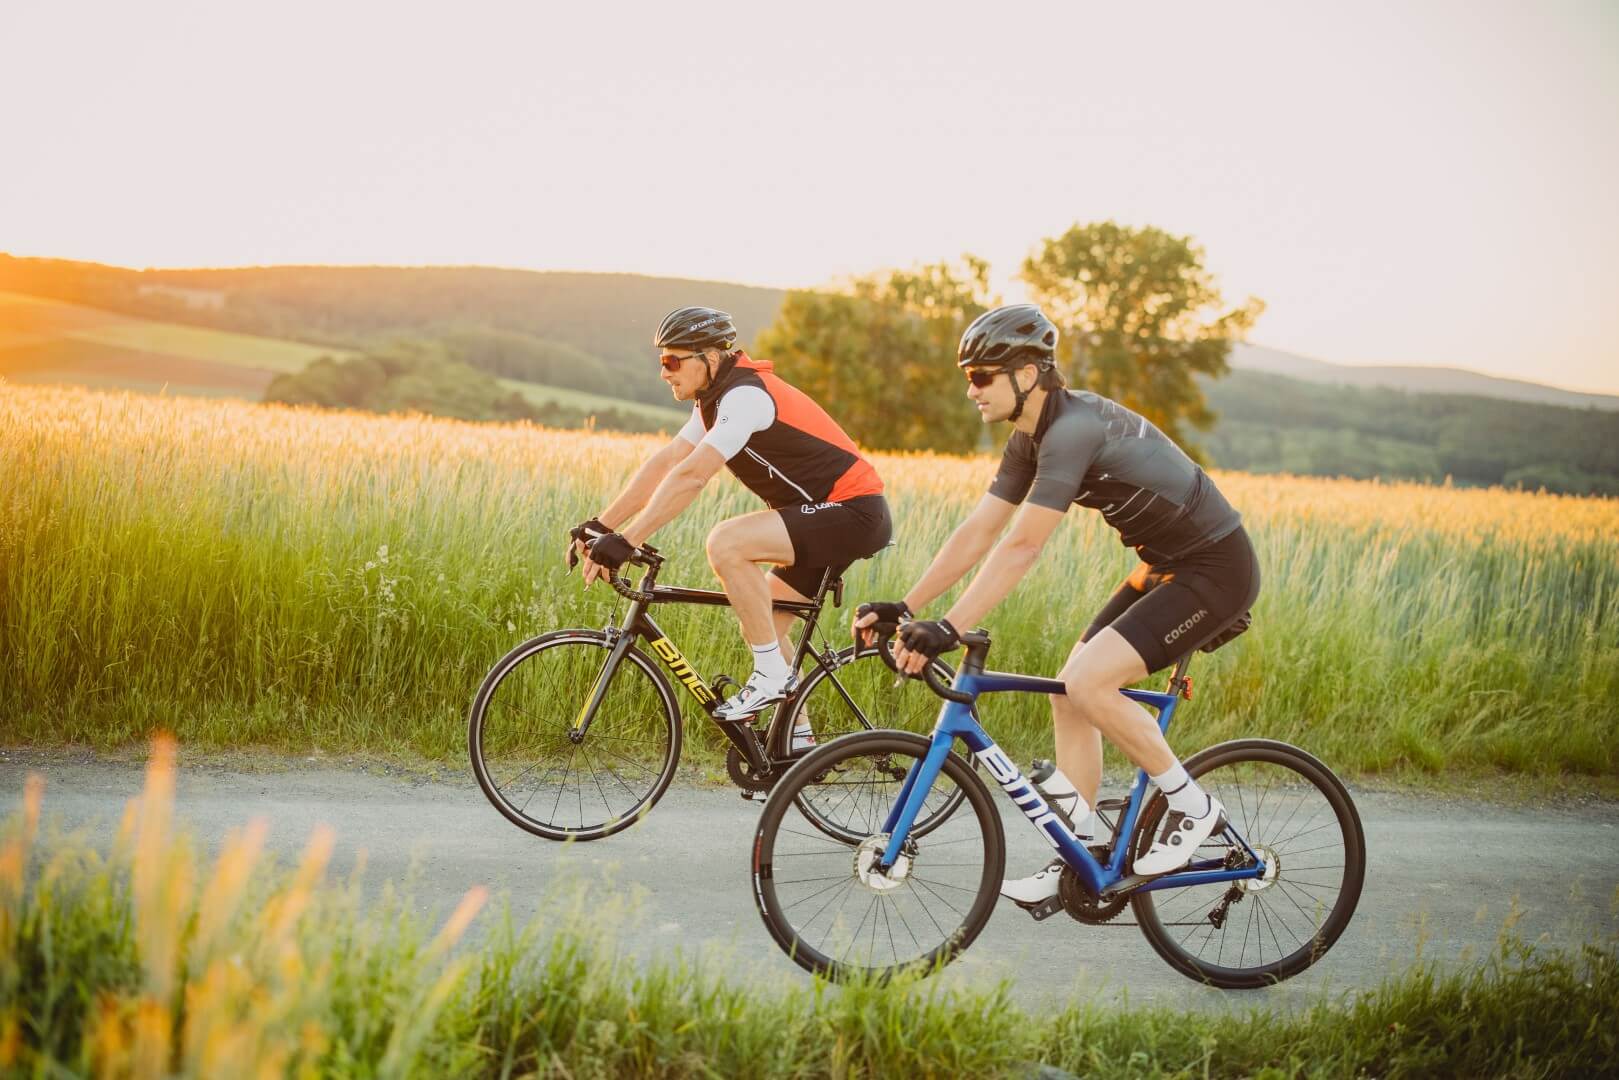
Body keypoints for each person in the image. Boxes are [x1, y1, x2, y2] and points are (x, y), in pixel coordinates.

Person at [854, 303, 1259, 901]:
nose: (971, 390)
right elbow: (981, 530)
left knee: (1092, 683)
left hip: (1216, 567)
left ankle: (1191, 806)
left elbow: (1022, 546)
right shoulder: (1028, 440)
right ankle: (1085, 850)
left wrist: (951, 626)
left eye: (980, 376)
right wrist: (908, 607)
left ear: (1027, 373)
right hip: (1162, 567)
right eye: (966, 376)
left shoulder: (1072, 430)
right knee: (1071, 692)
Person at [570, 306, 892, 733]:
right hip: (821, 518)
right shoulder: (713, 402)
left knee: (727, 542)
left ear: (711, 358)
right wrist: (601, 525)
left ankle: (772, 678)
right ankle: (797, 746)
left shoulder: (746, 397)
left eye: (673, 360)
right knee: (763, 626)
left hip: (853, 512)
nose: (664, 372)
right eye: (660, 361)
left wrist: (628, 540)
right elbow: (668, 462)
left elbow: (692, 475)